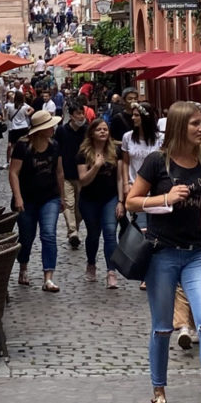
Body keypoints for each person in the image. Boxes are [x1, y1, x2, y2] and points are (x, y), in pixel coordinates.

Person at [125, 101, 201, 403]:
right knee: (163, 328)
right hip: (161, 254)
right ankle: (158, 392)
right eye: (194, 123)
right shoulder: (156, 163)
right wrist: (163, 199)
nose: (200, 128)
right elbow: (131, 201)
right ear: (178, 126)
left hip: (197, 255)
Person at [9, 109, 64, 291]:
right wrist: (18, 197)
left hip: (50, 197)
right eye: (49, 126)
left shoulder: (55, 145)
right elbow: (14, 173)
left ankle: (48, 277)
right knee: (27, 237)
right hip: (27, 198)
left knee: (48, 234)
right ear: (39, 130)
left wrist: (62, 197)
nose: (53, 128)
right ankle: (23, 266)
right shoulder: (23, 146)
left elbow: (59, 172)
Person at [77, 118, 124, 288]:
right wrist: (96, 166)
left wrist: (121, 201)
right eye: (99, 130)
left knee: (110, 232)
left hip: (110, 198)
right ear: (92, 133)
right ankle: (91, 264)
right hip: (89, 200)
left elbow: (119, 178)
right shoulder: (83, 153)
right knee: (93, 235)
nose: (103, 132)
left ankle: (111, 271)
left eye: (105, 129)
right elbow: (82, 180)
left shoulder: (115, 151)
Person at [121, 101, 163, 229]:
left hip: (156, 189)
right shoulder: (128, 137)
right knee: (141, 227)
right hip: (136, 187)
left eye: (136, 115)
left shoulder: (160, 138)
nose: (133, 118)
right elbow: (125, 162)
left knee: (156, 226)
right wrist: (126, 183)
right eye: (133, 115)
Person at [54, 101, 88, 248]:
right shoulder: (61, 131)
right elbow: (57, 151)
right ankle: (73, 232)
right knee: (68, 203)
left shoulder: (87, 130)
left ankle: (74, 229)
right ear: (71, 116)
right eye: (78, 114)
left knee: (81, 206)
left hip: (82, 175)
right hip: (66, 173)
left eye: (82, 113)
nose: (81, 117)